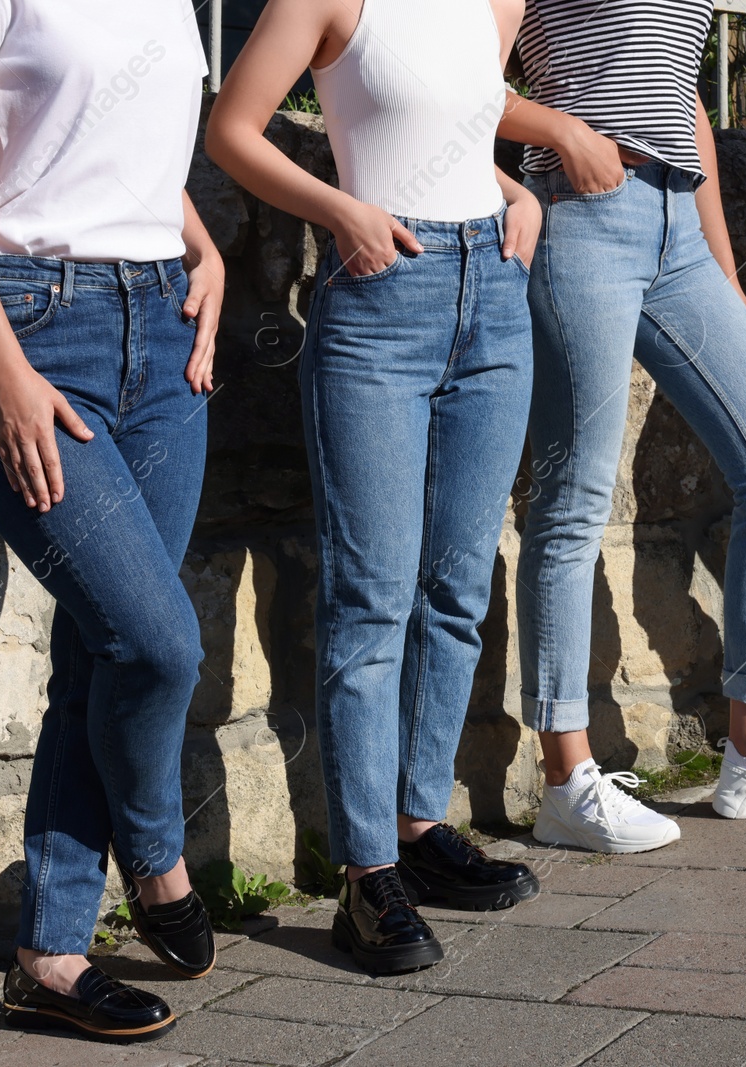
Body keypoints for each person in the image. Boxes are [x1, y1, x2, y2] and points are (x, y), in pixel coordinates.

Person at [0, 0, 223, 1040]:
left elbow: (122, 147)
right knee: (156, 642)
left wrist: (202, 244)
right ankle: (157, 847)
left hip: (162, 329)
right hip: (33, 325)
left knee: (103, 651)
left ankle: (49, 954)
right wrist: (3, 373)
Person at [496, 0, 746, 853]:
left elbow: (685, 101)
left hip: (679, 226)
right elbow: (460, 82)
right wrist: (564, 133)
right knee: (573, 498)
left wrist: (720, 263)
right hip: (582, 214)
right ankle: (565, 779)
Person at [206, 0, 542, 974]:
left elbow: (454, 128)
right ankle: (365, 874)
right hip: (380, 304)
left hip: (496, 302)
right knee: (372, 597)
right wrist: (338, 205)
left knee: (456, 586)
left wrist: (515, 191)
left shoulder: (496, 1)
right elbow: (230, 127)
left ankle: (419, 824)